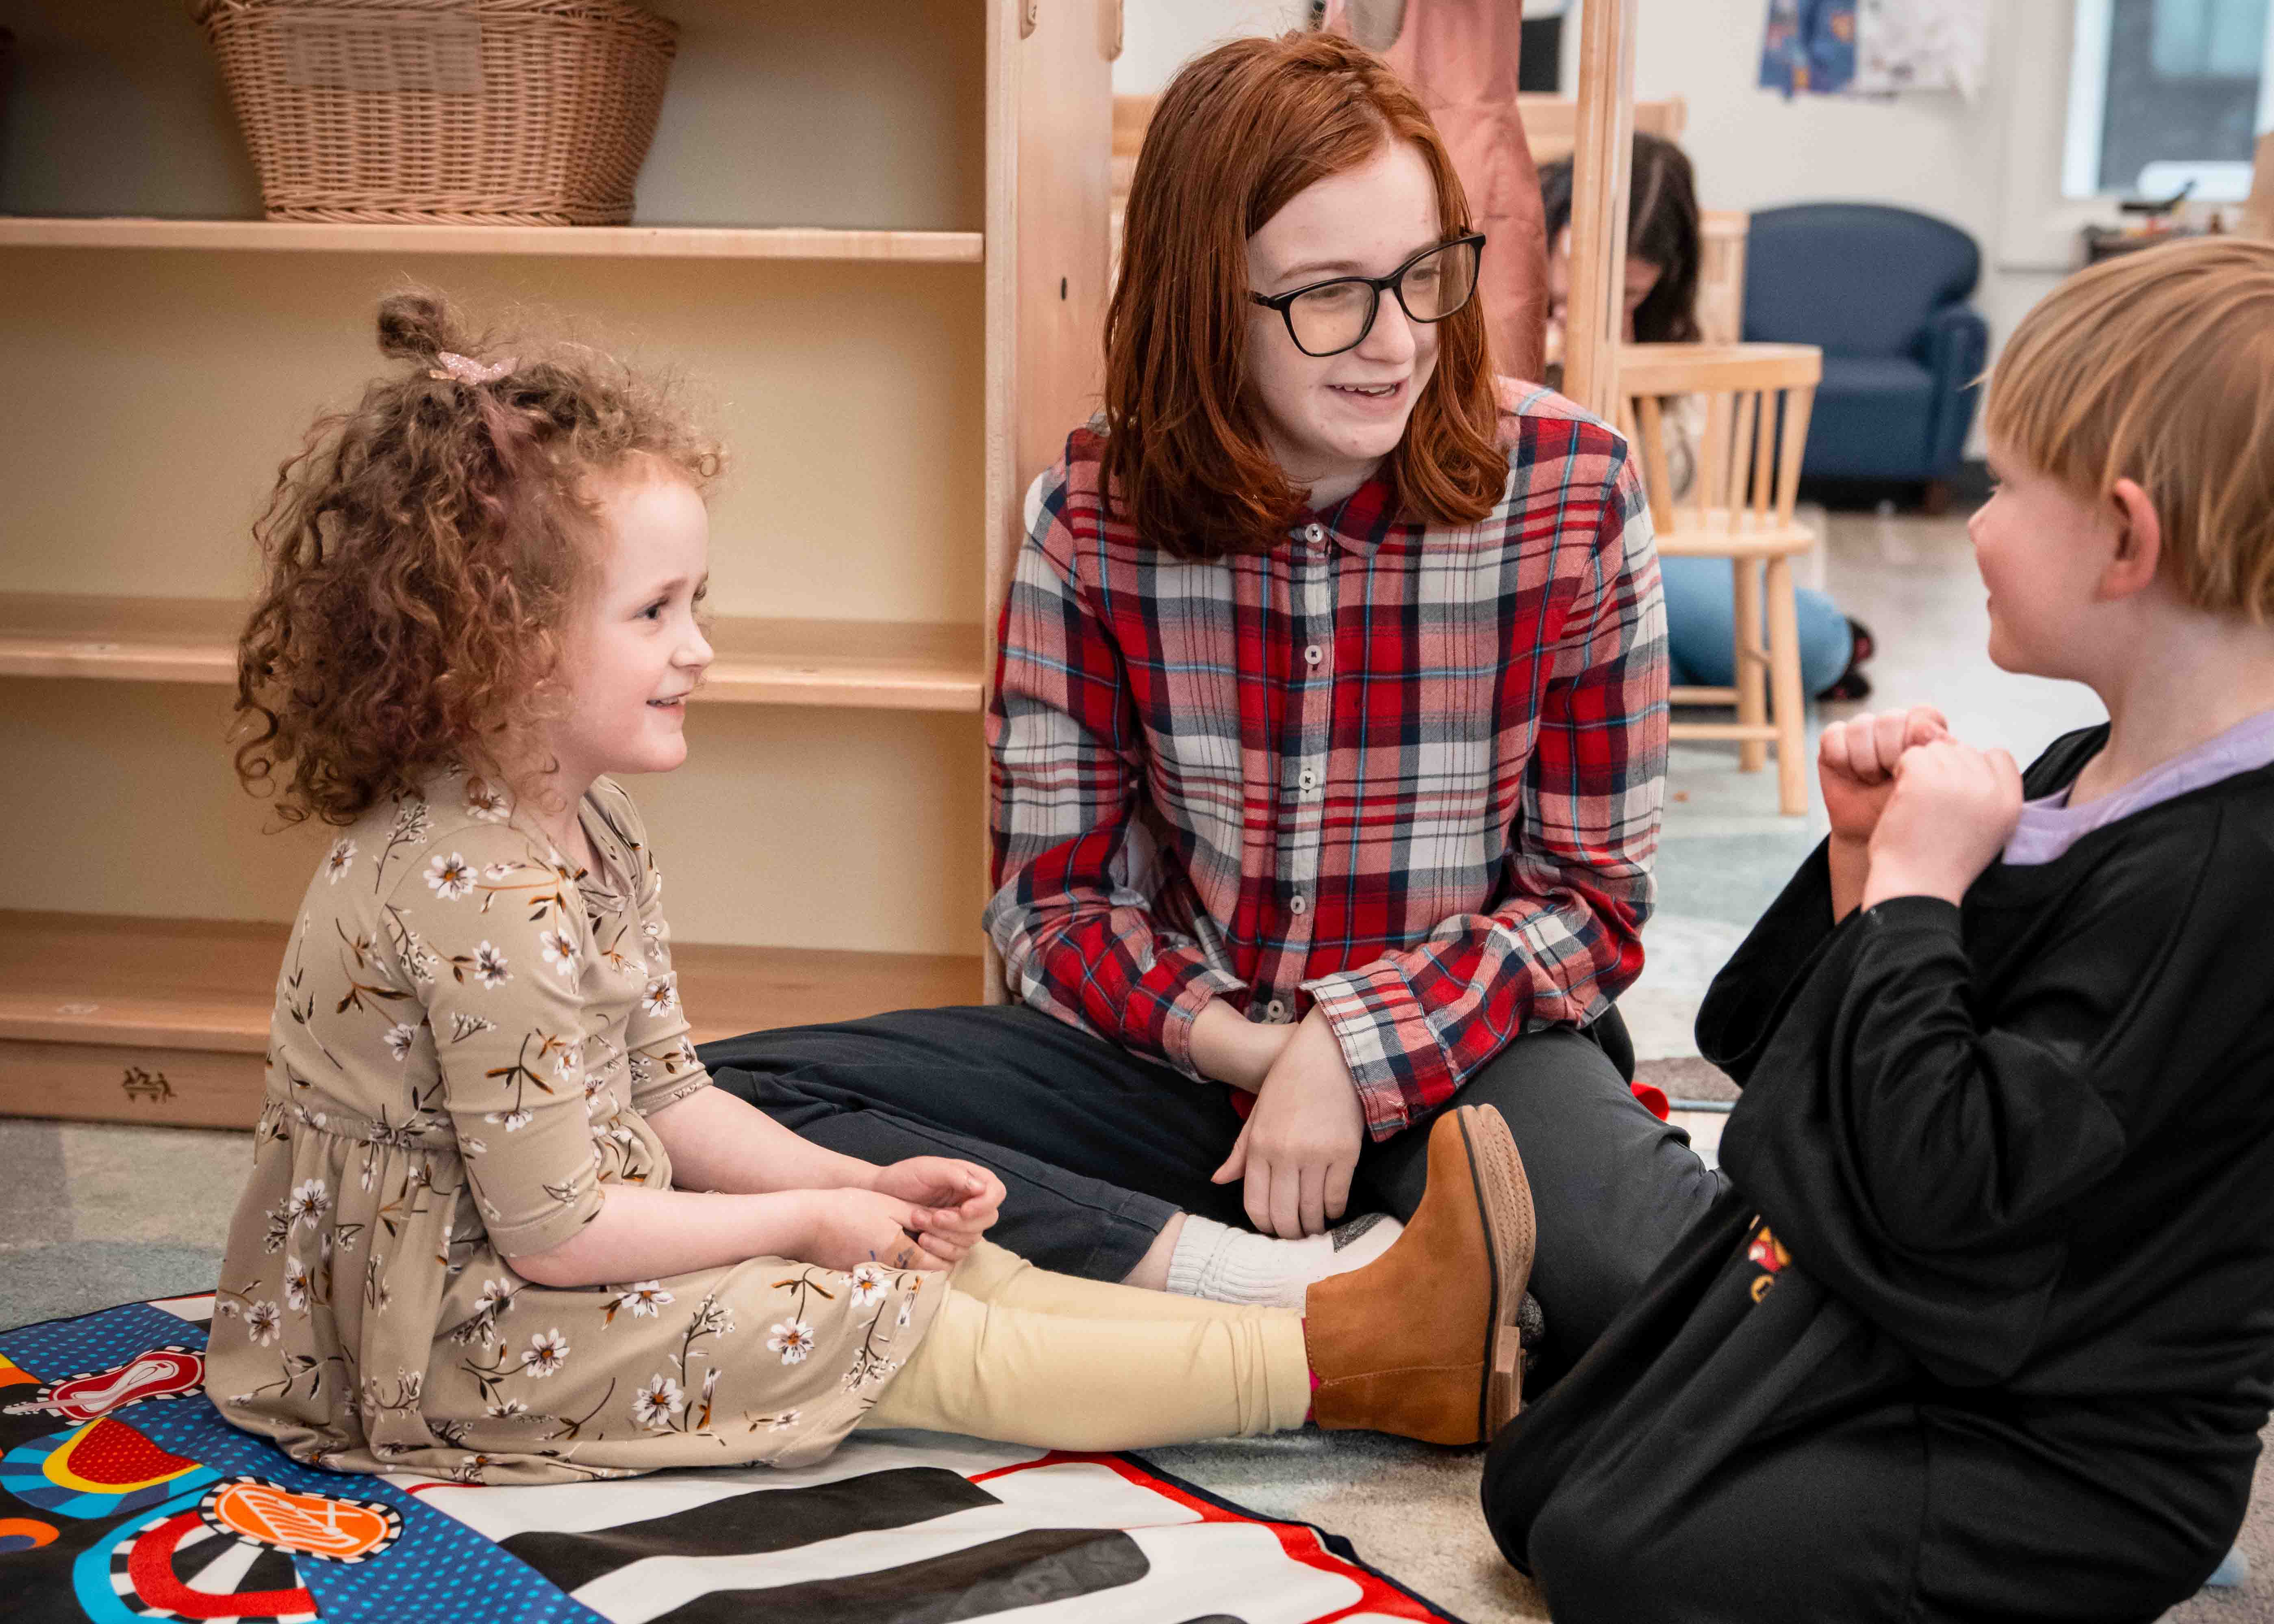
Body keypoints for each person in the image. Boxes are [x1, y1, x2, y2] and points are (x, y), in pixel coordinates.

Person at [202, 290, 1541, 1483]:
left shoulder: (587, 820)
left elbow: (671, 1095)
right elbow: (555, 1236)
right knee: (870, 1322)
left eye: (696, 601)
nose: (701, 647)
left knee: (923, 1258)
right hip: (453, 1329)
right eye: (655, 612)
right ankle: (1346, 1369)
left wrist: (862, 1190)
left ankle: (1337, 1318)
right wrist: (806, 1220)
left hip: (549, 1251)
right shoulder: (472, 887)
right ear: (506, 644)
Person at [700, 30, 1718, 1394]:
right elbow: (1050, 911)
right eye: (1327, 295)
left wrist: (1350, 1053)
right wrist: (1266, 1054)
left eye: (1424, 274)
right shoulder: (1089, 519)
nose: (1398, 337)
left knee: (1689, 1306)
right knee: (726, 1113)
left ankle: (1209, 1267)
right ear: (1203, 298)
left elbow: (1585, 904)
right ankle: (1301, 1289)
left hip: (1457, 1053)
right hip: (1176, 1057)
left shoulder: (1572, 490)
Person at [1481, 237, 2274, 1620]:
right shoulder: (2087, 765)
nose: (1972, 520)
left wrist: (1917, 896)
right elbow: (1820, 1072)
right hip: (1932, 1330)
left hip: (2068, 1443)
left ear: (2128, 538)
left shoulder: (2225, 874)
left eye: (2006, 486)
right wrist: (1864, 866)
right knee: (1534, 1484)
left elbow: (1946, 1192)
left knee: (1618, 1552)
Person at [1540, 134, 1877, 701]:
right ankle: (1684, 666)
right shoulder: (1510, 258)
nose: (1603, 307)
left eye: (1630, 293)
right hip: (1539, 548)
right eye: (1582, 284)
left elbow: (1669, 496)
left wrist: (1616, 381)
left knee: (1808, 644)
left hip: (1631, 544)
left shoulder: (1658, 324)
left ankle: (1774, 646)